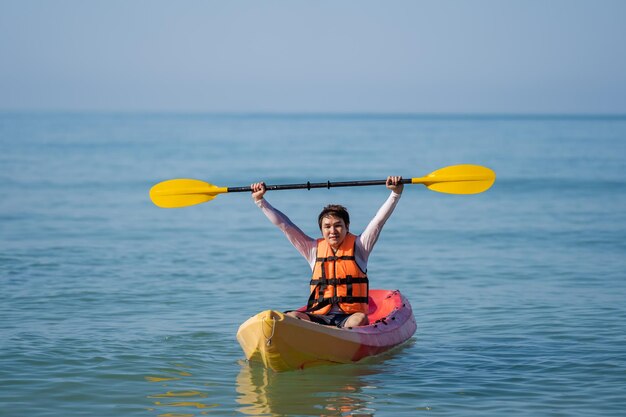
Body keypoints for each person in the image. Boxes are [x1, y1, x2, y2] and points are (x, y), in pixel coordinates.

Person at [251, 176, 404, 328]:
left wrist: (395, 194)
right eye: (327, 226)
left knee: (359, 319)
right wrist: (260, 201)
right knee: (292, 316)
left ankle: (336, 336)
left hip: (350, 317)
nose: (332, 231)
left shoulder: (360, 247)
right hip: (319, 316)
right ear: (321, 229)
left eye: (338, 225)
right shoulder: (312, 249)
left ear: (347, 227)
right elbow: (286, 226)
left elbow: (378, 222)